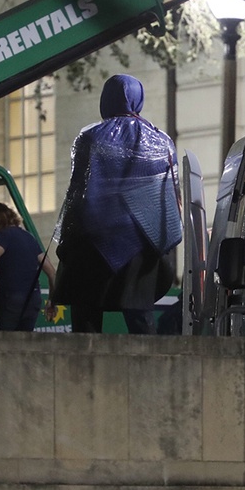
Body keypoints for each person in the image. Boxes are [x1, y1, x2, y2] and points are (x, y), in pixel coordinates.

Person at [52, 74, 181, 334]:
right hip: (141, 246)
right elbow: (169, 197)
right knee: (140, 320)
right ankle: (150, 372)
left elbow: (77, 193)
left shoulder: (90, 138)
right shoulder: (162, 141)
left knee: (86, 319)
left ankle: (84, 373)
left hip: (92, 244)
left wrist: (65, 241)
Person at [0, 201, 57, 331]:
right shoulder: (29, 237)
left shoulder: (4, 235)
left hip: (12, 298)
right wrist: (52, 301)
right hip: (33, 299)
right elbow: (51, 272)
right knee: (24, 342)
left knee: (4, 341)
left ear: (0, 219)